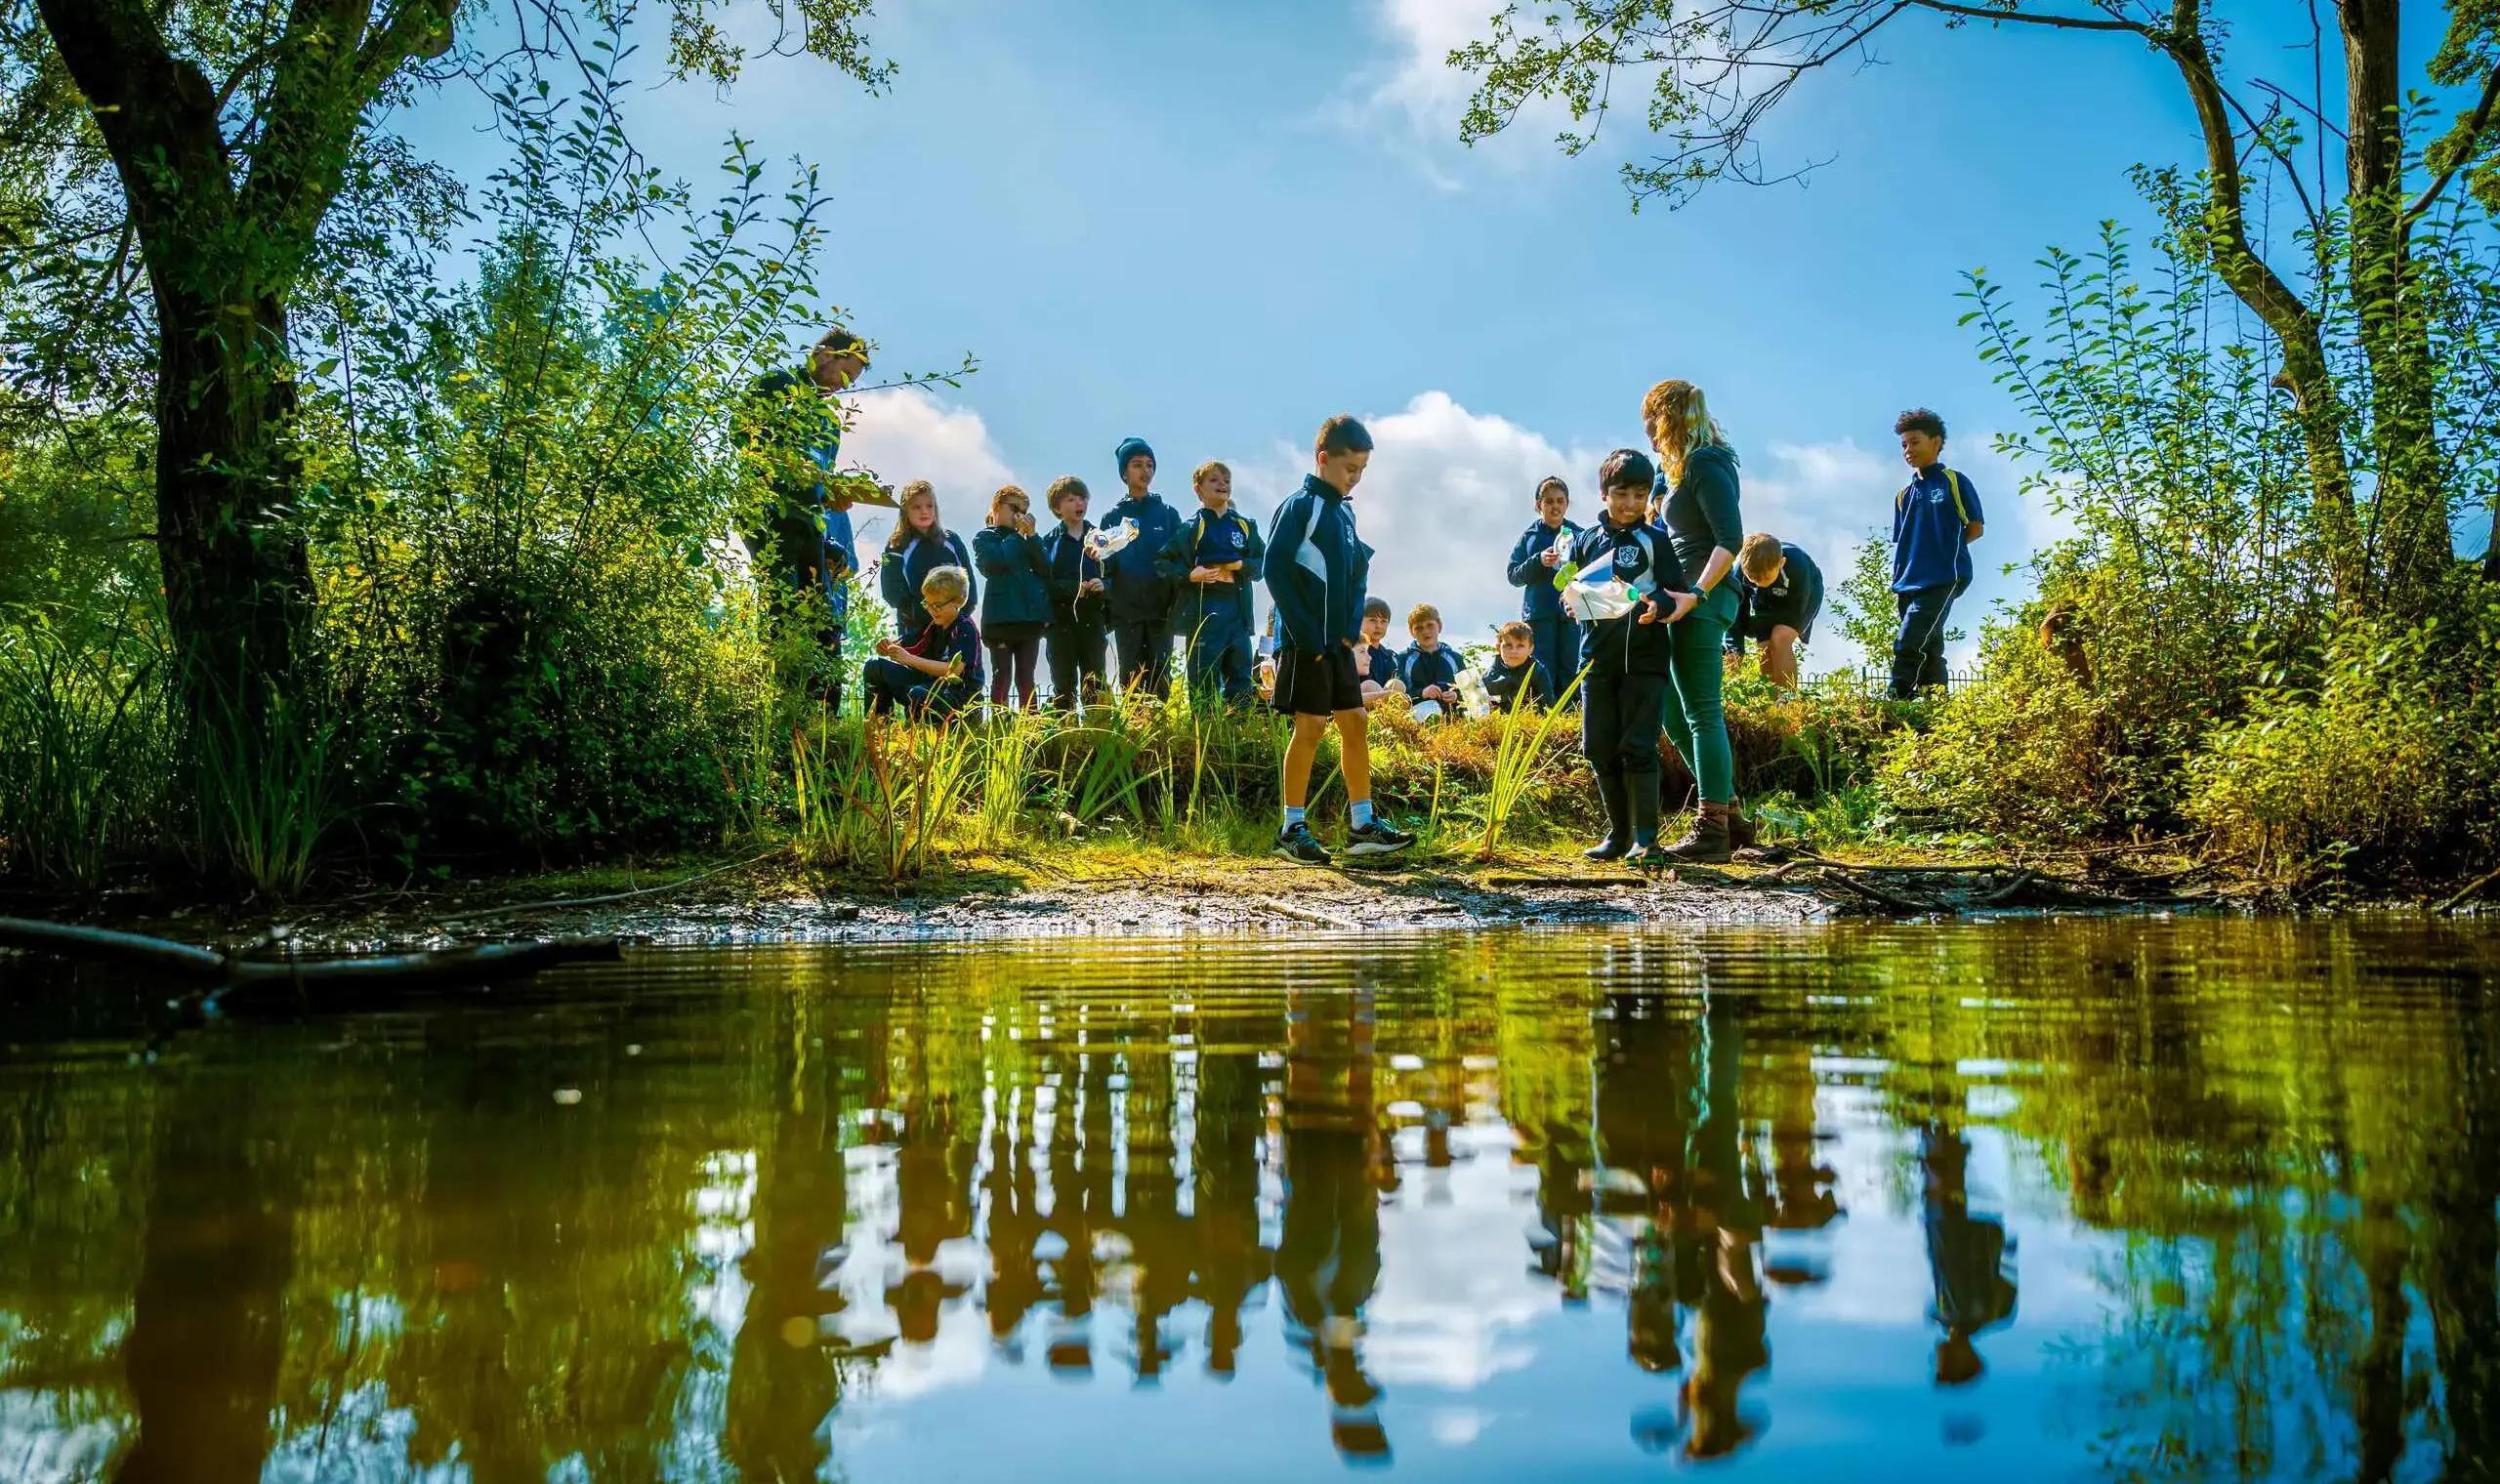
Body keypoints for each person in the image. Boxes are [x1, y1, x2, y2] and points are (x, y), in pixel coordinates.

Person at [1265, 415, 1417, 864]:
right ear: (1323, 458)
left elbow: (1356, 572)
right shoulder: (1300, 506)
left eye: (1363, 471)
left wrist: (1351, 634)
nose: (1356, 478)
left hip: (1337, 646)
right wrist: (1307, 638)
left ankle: (1362, 825)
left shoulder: (1345, 513)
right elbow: (1275, 569)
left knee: (1355, 721)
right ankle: (1291, 828)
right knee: (1309, 727)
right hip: (1304, 643)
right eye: (1350, 468)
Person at [1571, 449, 1698, 865]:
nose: (1630, 503)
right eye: (1621, 493)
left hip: (1646, 661)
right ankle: (1618, 835)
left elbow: (1677, 593)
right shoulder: (1586, 540)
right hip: (1597, 661)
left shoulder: (1656, 540)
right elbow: (1571, 592)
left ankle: (1648, 839)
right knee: (1598, 748)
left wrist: (1657, 603)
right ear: (1603, 493)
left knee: (1638, 746)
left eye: (1640, 494)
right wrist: (1568, 603)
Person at [1644, 379, 1749, 861]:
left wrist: (1697, 593)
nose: (1647, 431)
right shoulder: (1679, 469)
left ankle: (1712, 829)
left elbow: (1731, 538)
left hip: (1705, 597)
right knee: (1668, 705)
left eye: (1651, 420)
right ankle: (1730, 812)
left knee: (1702, 709)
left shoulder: (1707, 462)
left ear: (1666, 418)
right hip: (1678, 596)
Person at [738, 326, 870, 710]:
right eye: (845, 374)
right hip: (769, 517)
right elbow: (742, 435)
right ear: (825, 354)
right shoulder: (778, 385)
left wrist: (835, 494)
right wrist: (787, 463)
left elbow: (822, 476)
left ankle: (819, 718)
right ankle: (779, 707)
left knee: (823, 619)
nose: (843, 386)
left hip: (810, 525)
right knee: (781, 613)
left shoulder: (828, 419)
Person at [1889, 408, 1985, 700]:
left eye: (1915, 442)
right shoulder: (1904, 495)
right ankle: (1937, 702)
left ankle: (1897, 695)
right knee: (1930, 645)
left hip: (1943, 577)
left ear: (1936, 442)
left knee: (1909, 640)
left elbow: (1975, 528)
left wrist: (1945, 553)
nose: (1908, 450)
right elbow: (1903, 540)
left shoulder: (1954, 481)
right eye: (1904, 444)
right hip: (1907, 582)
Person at [1160, 460, 1267, 709]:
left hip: (1237, 613)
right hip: (1204, 614)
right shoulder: (1191, 528)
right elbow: (1162, 563)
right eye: (1214, 480)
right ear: (1198, 489)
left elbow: (1263, 562)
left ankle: (1240, 734)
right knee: (1203, 682)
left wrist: (1240, 566)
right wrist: (1190, 575)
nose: (1222, 484)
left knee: (1240, 678)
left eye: (1227, 480)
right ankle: (1205, 737)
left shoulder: (1244, 525)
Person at [1102, 436, 1185, 698]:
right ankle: (1134, 733)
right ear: (1124, 472)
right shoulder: (1112, 516)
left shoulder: (1167, 514)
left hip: (1161, 610)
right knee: (1131, 677)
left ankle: (1160, 736)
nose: (1145, 470)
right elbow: (1107, 564)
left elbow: (1179, 557)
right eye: (1137, 464)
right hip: (1126, 611)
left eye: (1150, 465)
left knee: (1160, 675)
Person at [862, 565, 982, 720]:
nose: (931, 610)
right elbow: (905, 644)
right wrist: (887, 647)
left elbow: (954, 671)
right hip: (929, 686)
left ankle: (923, 734)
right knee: (874, 666)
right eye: (927, 604)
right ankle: (879, 724)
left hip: (958, 697)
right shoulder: (932, 626)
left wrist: (908, 659)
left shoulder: (965, 628)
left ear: (958, 601)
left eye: (937, 605)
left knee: (918, 694)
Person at [973, 485, 1052, 710]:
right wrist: (1018, 536)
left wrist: (1033, 536)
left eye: (1024, 511)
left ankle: (1031, 728)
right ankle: (1000, 728)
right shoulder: (985, 538)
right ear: (997, 506)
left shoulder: (1029, 540)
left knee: (1027, 679)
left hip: (1028, 621)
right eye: (1014, 508)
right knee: (1002, 678)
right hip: (1000, 621)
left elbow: (1046, 567)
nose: (1019, 515)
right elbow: (996, 562)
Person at [1506, 474, 1582, 702]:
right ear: (1538, 505)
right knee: (1542, 669)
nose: (1555, 506)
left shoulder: (1579, 535)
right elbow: (1513, 575)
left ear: (1567, 504)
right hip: (1539, 615)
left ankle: (1571, 719)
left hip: (1571, 614)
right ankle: (1545, 715)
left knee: (1572, 666)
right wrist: (1538, 561)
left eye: (1560, 501)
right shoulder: (1529, 537)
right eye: (1549, 501)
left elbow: (1592, 573)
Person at [1039, 476, 1107, 710]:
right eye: (1071, 499)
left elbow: (1115, 572)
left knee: (1095, 684)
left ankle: (1097, 738)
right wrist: (1073, 589)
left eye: (1082, 498)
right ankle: (1066, 736)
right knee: (1063, 685)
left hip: (1093, 621)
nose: (1079, 503)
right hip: (1061, 623)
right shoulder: (1049, 541)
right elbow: (1043, 583)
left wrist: (1102, 584)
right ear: (1057, 507)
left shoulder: (1100, 538)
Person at [1724, 533, 1823, 692]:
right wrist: (1735, 649)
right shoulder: (1740, 574)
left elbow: (1794, 611)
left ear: (1781, 563)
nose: (1759, 583)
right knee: (1763, 647)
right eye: (1753, 579)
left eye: (1765, 578)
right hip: (1765, 599)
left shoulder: (1798, 564)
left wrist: (1761, 624)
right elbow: (1734, 614)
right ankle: (1772, 701)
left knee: (1779, 638)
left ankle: (1787, 699)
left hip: (1802, 595)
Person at [879, 480, 976, 638]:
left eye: (929, 506)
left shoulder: (952, 540)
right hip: (915, 630)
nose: (924, 511)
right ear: (905, 510)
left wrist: (958, 616)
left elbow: (968, 583)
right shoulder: (896, 545)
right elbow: (891, 592)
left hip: (953, 628)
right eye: (916, 507)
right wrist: (915, 613)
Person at [1397, 603, 1461, 715]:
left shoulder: (1455, 658)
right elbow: (1398, 697)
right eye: (1419, 628)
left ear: (1439, 626)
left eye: (1430, 625)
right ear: (1411, 631)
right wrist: (1422, 693)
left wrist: (1456, 696)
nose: (1425, 631)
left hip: (1454, 719)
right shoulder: (1403, 659)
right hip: (1418, 719)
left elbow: (1469, 692)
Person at [1484, 620, 1555, 712]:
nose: (1514, 651)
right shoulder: (1489, 677)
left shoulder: (1537, 672)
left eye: (1520, 646)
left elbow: (1548, 706)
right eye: (1508, 645)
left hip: (1530, 722)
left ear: (1530, 649)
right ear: (1498, 648)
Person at [1356, 598, 1398, 693]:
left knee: (1397, 684)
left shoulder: (1390, 657)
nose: (1378, 626)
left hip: (1387, 704)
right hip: (1360, 702)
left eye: (1383, 621)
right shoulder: (1354, 653)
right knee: (1370, 686)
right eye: (1372, 620)